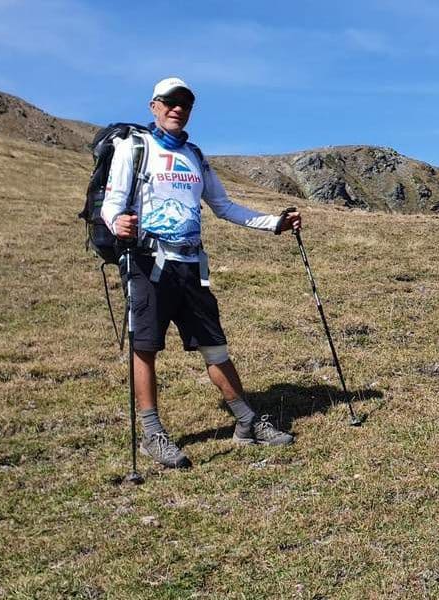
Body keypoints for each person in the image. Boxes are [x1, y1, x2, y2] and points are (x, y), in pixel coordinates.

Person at [103, 77, 303, 469]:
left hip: (192, 265)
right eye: (170, 102)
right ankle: (152, 434)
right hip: (147, 263)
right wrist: (116, 222)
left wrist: (274, 224)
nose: (178, 108)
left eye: (186, 103)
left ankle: (246, 421)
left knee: (214, 345)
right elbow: (112, 203)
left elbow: (224, 206)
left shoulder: (195, 155)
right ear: (154, 106)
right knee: (145, 348)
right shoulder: (134, 148)